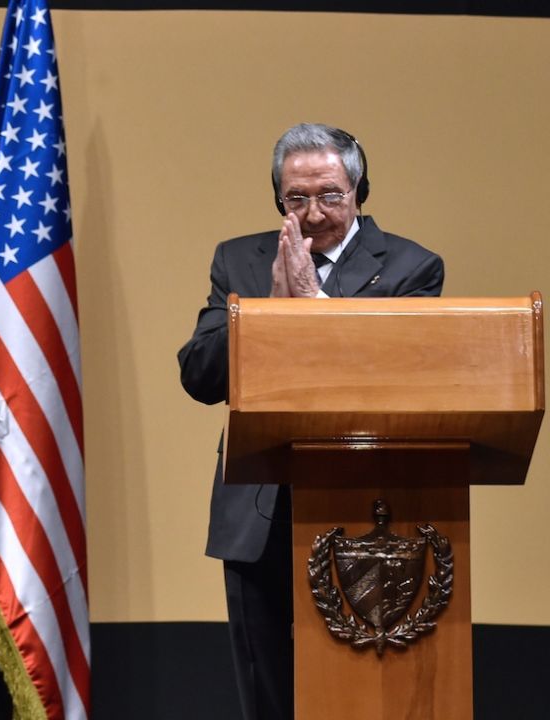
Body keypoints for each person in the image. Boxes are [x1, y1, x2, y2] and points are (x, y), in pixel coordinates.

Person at [176, 123, 444, 720]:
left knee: (358, 693)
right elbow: (199, 376)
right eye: (297, 198)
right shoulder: (239, 258)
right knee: (267, 690)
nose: (315, 213)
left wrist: (314, 310)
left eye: (331, 194)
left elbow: (400, 372)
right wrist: (266, 315)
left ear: (359, 191)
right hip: (259, 509)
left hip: (372, 509)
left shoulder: (413, 266)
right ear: (279, 199)